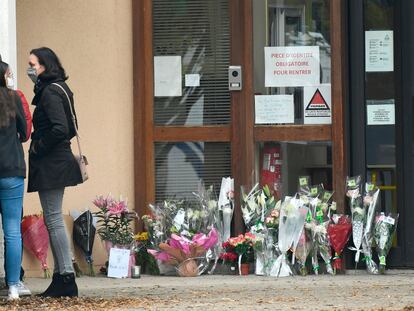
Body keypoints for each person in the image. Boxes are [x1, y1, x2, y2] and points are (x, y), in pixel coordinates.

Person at [27, 47, 82, 298]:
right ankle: (61, 277)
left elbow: (61, 129)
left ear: (45, 66)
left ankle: (66, 277)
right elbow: (71, 127)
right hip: (56, 161)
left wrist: (39, 146)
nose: (31, 69)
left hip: (51, 163)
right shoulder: (58, 88)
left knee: (53, 218)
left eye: (34, 64)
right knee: (53, 218)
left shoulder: (50, 92)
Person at [0, 57, 32, 297]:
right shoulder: (13, 98)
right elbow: (25, 132)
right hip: (12, 170)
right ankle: (13, 286)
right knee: (12, 231)